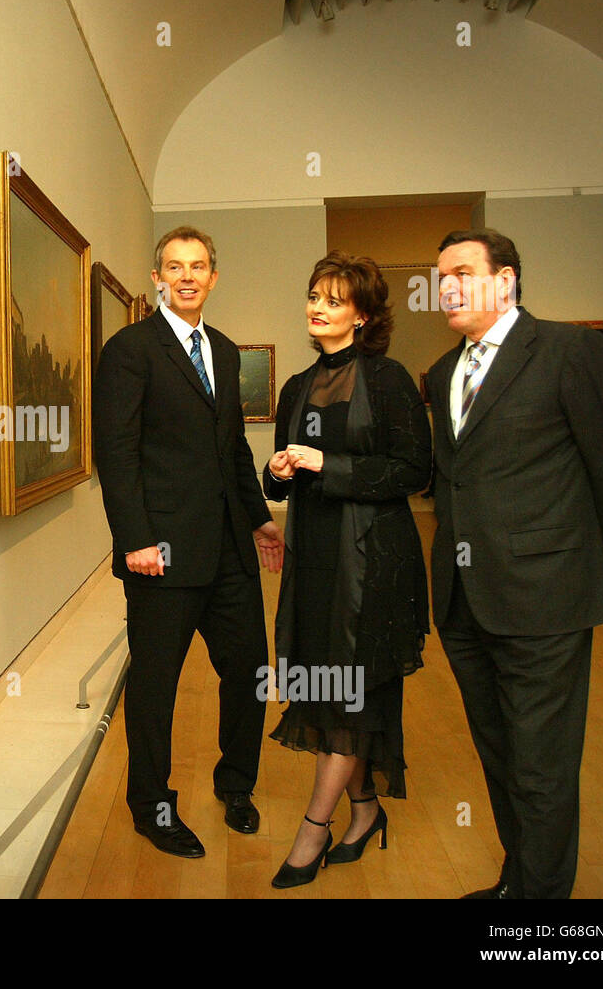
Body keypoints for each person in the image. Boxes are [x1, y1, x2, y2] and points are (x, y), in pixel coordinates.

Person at [426, 228, 603, 899]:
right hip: (464, 600)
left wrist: (574, 545)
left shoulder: (570, 351)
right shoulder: (441, 373)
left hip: (545, 596)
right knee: (500, 757)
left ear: (507, 279)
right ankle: (517, 884)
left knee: (543, 767)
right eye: (440, 278)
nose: (447, 288)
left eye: (462, 271)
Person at [93, 226, 283, 858]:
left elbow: (231, 449)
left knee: (250, 671)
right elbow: (116, 454)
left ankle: (236, 785)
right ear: (157, 279)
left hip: (229, 549)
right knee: (155, 684)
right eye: (174, 267)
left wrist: (259, 519)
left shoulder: (225, 354)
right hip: (162, 556)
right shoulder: (130, 350)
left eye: (198, 266)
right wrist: (135, 541)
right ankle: (151, 805)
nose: (187, 276)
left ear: (213, 277)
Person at [262, 252, 432, 889]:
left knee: (350, 693)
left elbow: (416, 471)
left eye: (334, 300)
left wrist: (326, 466)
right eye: (313, 295)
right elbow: (283, 481)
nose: (317, 307)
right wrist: (277, 473)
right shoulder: (294, 388)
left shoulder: (386, 381)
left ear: (361, 316)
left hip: (375, 567)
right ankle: (365, 811)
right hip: (313, 563)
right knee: (327, 688)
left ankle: (314, 828)